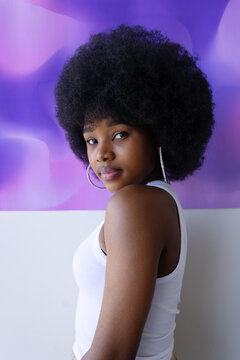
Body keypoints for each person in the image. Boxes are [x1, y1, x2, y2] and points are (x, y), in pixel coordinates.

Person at [54, 24, 215, 360]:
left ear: (157, 130)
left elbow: (113, 352)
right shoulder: (158, 202)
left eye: (120, 134)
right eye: (91, 140)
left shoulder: (136, 205)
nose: (102, 154)